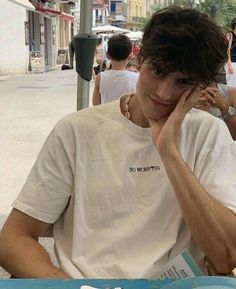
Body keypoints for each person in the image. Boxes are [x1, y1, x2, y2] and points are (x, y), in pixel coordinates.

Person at [0, 6, 236, 279]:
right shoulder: (77, 131)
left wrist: (168, 152)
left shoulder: (209, 135)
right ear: (140, 59)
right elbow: (12, 240)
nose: (163, 93)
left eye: (183, 82)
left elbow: (226, 254)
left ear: (200, 86)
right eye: (158, 71)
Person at [92, 34, 139, 105]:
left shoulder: (100, 77)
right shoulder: (137, 78)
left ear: (108, 55)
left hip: (106, 115)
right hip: (126, 116)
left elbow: (96, 104)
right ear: (130, 56)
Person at [226, 18, 236, 87]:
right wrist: (229, 65)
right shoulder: (230, 34)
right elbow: (227, 50)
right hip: (232, 63)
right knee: (232, 86)